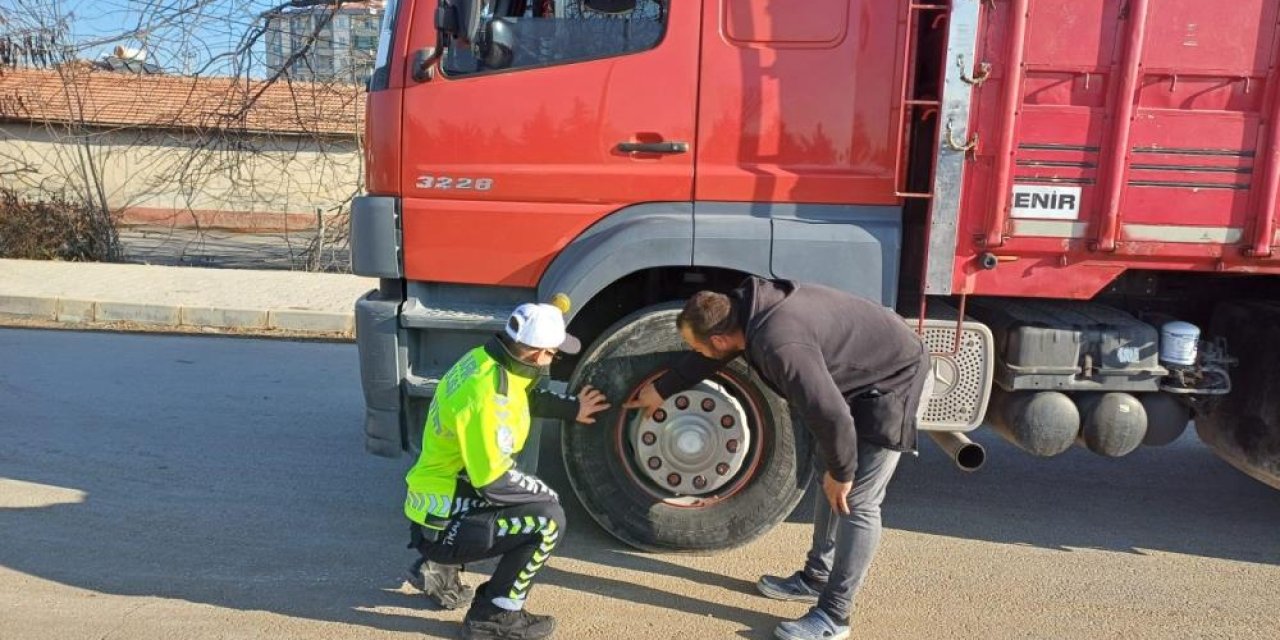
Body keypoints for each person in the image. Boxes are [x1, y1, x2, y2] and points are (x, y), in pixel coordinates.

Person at [626, 277, 933, 640]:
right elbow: (711, 355)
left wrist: (844, 470)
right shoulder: (743, 309)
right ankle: (817, 576)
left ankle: (835, 616)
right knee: (829, 476)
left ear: (721, 339)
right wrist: (663, 388)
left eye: (699, 347)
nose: (700, 353)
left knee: (856, 500)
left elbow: (831, 414)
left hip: (896, 378)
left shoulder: (779, 344)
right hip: (862, 370)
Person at [404, 300, 610, 640]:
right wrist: (549, 497)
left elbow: (524, 396)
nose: (553, 360)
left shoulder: (486, 361)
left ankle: (437, 567)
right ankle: (493, 619)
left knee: (532, 503)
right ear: (535, 354)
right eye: (553, 354)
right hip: (442, 519)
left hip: (435, 503)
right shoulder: (489, 398)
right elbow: (494, 480)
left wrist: (571, 408)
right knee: (547, 521)